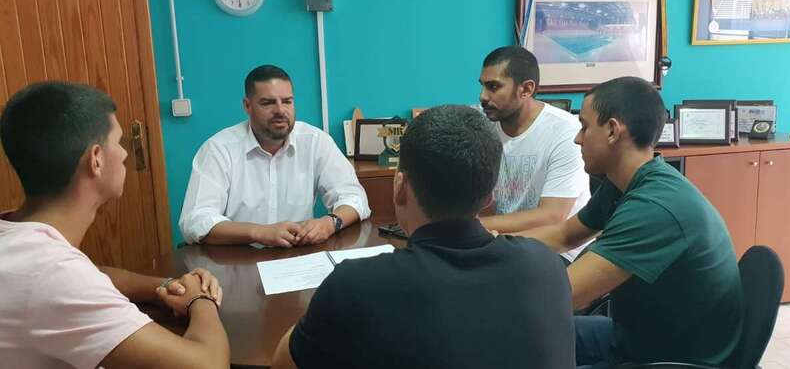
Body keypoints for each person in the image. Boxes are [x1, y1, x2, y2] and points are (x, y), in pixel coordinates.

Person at [272, 105, 575, 369]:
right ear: (489, 196)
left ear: (400, 187)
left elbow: (284, 363)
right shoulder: (546, 266)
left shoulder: (357, 285)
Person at [0, 82, 230, 368]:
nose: (124, 154)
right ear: (96, 159)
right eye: (118, 143)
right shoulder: (51, 273)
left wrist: (169, 285)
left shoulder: (16, 234)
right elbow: (208, 365)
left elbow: (91, 274)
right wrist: (201, 300)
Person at [519, 77, 743, 367]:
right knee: (529, 336)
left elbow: (564, 295)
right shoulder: (625, 181)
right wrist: (494, 245)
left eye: (585, 127)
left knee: (522, 335)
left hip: (673, 358)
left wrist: (483, 289)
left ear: (612, 130)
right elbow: (564, 235)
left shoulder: (654, 207)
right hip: (638, 337)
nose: (578, 138)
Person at [179, 65, 370, 247]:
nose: (280, 110)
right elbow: (195, 221)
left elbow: (355, 198)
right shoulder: (219, 149)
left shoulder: (315, 141)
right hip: (237, 260)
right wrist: (260, 233)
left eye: (287, 101)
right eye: (268, 103)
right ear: (247, 106)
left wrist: (330, 223)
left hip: (299, 256)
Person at [477, 46, 591, 262]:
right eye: (482, 86)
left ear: (526, 89)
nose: (483, 96)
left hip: (558, 247)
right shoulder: (485, 128)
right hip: (502, 241)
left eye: (493, 87)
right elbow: (483, 203)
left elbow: (551, 216)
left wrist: (471, 228)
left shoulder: (565, 131)